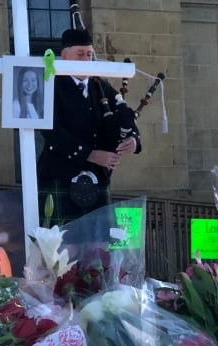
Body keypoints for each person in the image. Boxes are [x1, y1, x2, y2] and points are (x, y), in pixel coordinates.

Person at [37, 28, 142, 227]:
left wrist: (133, 140)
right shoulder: (51, 86)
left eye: (89, 54)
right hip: (59, 175)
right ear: (65, 55)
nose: (86, 59)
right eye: (80, 54)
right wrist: (90, 154)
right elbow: (51, 131)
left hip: (97, 180)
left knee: (99, 249)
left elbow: (124, 115)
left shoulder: (100, 86)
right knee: (60, 248)